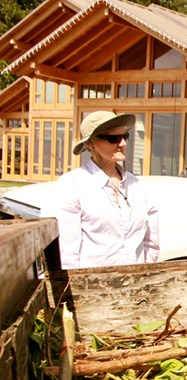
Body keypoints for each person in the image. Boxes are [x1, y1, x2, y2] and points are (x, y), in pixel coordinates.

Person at [45, 111, 159, 269]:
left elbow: (151, 243)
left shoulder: (136, 186)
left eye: (125, 136)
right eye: (114, 139)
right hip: (91, 287)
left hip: (135, 287)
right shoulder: (73, 185)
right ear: (90, 144)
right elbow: (66, 251)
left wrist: (143, 275)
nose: (123, 144)